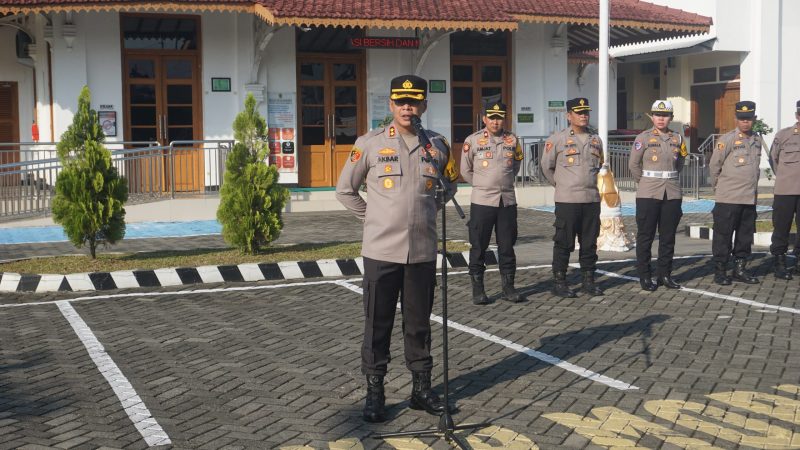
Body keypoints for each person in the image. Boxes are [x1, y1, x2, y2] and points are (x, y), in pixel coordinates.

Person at [336, 75, 458, 423]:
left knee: (419, 324)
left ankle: (421, 389)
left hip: (421, 251)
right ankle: (375, 392)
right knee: (378, 324)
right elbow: (345, 190)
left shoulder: (437, 145)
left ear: (424, 105)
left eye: (414, 102)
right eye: (401, 102)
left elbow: (449, 186)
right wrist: (373, 217)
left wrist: (427, 212)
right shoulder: (369, 144)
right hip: (381, 252)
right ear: (391, 105)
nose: (407, 107)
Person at [461, 101, 524, 305]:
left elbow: (515, 165)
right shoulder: (473, 140)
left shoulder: (512, 140)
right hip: (482, 202)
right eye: (492, 118)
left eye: (499, 118)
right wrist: (483, 184)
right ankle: (478, 290)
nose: (496, 122)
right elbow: (465, 170)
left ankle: (508, 288)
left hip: (507, 201)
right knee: (479, 246)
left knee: (507, 246)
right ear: (484, 119)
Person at [541, 98, 604, 298]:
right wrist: (562, 185)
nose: (584, 116)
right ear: (569, 116)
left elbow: (598, 166)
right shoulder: (557, 139)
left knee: (589, 243)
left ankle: (588, 281)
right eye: (579, 112)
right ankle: (559, 282)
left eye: (586, 112)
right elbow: (547, 167)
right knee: (564, 242)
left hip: (591, 199)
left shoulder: (596, 140)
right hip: (567, 200)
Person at [629, 100, 688, 291]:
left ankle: (665, 275)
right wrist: (645, 183)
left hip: (671, 192)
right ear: (652, 117)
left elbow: (680, 163)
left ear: (671, 118)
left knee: (668, 237)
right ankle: (645, 276)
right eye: (657, 115)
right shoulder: (643, 137)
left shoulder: (678, 138)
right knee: (645, 236)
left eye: (665, 115)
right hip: (648, 193)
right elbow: (634, 165)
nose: (661, 119)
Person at [709, 101, 762, 285]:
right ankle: (720, 271)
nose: (745, 122)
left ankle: (739, 270)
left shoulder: (757, 140)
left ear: (754, 119)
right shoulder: (727, 139)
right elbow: (714, 166)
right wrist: (719, 188)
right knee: (723, 236)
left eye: (748, 118)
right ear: (736, 119)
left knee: (744, 236)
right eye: (741, 118)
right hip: (728, 198)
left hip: (749, 197)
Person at [768, 100, 800, 279]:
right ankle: (779, 263)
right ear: (797, 115)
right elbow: (773, 160)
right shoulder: (783, 135)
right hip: (785, 190)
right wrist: (785, 177)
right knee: (781, 227)